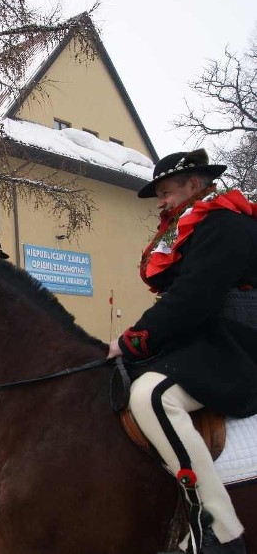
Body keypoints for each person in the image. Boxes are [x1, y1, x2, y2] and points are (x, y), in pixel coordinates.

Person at [107, 149, 257, 554]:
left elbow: (194, 299)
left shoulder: (226, 225)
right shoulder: (200, 227)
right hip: (207, 337)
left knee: (150, 396)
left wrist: (130, 340)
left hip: (238, 344)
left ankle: (219, 526)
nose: (161, 202)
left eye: (166, 191)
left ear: (194, 184)